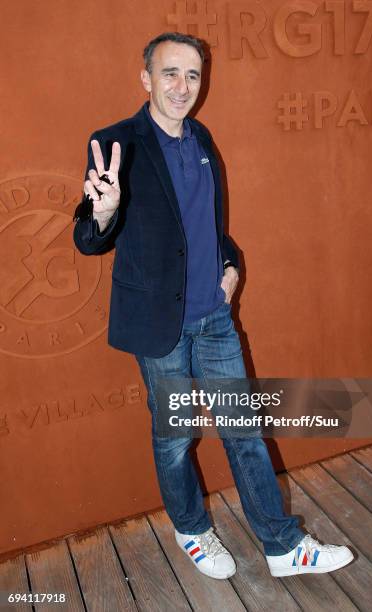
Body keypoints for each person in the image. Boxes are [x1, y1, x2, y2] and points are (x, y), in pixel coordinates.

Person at [73, 32, 353, 579]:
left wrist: (230, 265)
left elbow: (203, 224)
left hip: (214, 317)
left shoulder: (201, 138)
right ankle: (192, 529)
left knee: (243, 429)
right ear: (145, 78)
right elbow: (88, 238)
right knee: (176, 436)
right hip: (162, 326)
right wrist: (102, 212)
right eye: (171, 73)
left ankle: (281, 545)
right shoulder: (115, 144)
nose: (183, 87)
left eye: (193, 75)